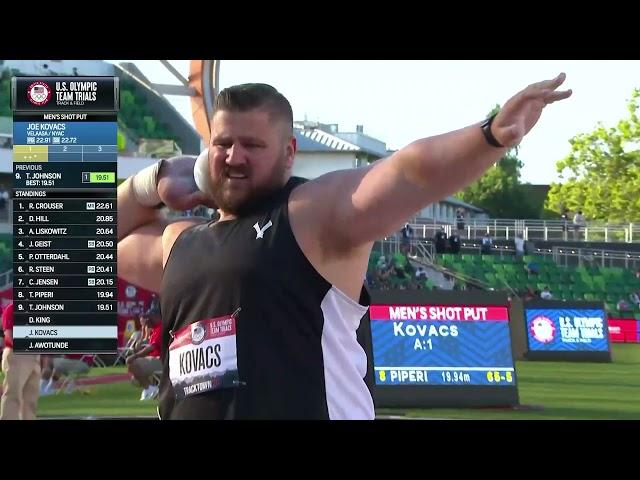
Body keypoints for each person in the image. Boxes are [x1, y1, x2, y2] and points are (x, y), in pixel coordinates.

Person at [117, 75, 571, 420]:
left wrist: (489, 135)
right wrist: (148, 184)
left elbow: (408, 173)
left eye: (253, 145)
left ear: (289, 152)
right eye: (224, 144)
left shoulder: (311, 215)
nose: (235, 157)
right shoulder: (179, 243)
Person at [0, 303, 41, 420]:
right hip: (17, 354)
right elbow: (8, 335)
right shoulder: (12, 309)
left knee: (31, 398)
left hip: (34, 356)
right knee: (13, 394)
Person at [127, 308, 163, 401]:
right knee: (134, 377)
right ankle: (149, 388)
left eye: (149, 317)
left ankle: (150, 388)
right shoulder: (154, 329)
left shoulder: (161, 328)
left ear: (156, 317)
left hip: (161, 360)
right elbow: (145, 347)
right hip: (156, 359)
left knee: (133, 364)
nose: (147, 320)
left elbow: (152, 347)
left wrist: (135, 356)